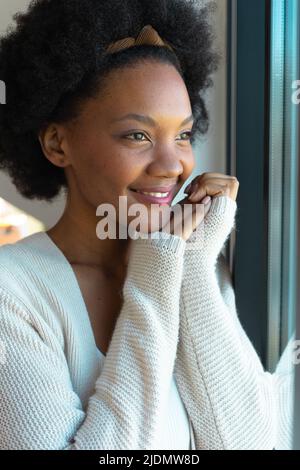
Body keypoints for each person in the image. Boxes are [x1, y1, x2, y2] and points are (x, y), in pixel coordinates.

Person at [0, 0, 294, 450]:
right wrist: (158, 272)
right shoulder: (12, 293)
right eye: (138, 135)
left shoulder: (196, 263)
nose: (172, 165)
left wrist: (190, 262)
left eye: (182, 135)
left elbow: (248, 443)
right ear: (58, 144)